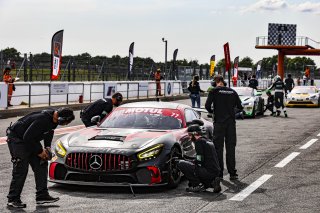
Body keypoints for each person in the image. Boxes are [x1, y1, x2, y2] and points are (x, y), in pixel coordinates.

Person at [6, 107, 75, 208]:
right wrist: (39, 152)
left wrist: (47, 148)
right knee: (21, 169)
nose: (65, 125)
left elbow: (49, 133)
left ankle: (42, 196)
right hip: (17, 139)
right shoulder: (42, 119)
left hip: (29, 139)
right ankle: (13, 199)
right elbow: (27, 137)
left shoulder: (54, 119)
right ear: (61, 119)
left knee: (42, 163)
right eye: (65, 123)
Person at [205, 75, 243, 180]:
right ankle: (232, 173)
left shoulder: (214, 91)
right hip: (231, 123)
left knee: (218, 149)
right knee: (230, 148)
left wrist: (213, 112)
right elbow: (240, 107)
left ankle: (219, 173)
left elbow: (207, 106)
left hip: (219, 123)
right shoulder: (232, 92)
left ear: (215, 82)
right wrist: (231, 113)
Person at [177, 124, 221, 193]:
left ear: (194, 134)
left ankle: (197, 185)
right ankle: (212, 183)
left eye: (190, 135)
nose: (189, 137)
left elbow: (200, 160)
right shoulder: (208, 140)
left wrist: (190, 163)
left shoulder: (198, 142)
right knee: (193, 167)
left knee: (181, 163)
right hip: (215, 171)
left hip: (207, 172)